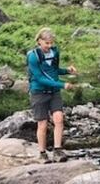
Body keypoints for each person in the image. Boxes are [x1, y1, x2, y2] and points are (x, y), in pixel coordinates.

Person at [26, 28, 77, 163]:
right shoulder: (33, 56)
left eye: (51, 43)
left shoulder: (55, 52)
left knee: (59, 119)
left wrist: (67, 71)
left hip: (54, 92)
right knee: (42, 124)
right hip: (39, 92)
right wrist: (62, 85)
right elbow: (39, 78)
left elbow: (54, 70)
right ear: (39, 41)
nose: (49, 46)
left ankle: (57, 150)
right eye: (46, 43)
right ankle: (42, 153)